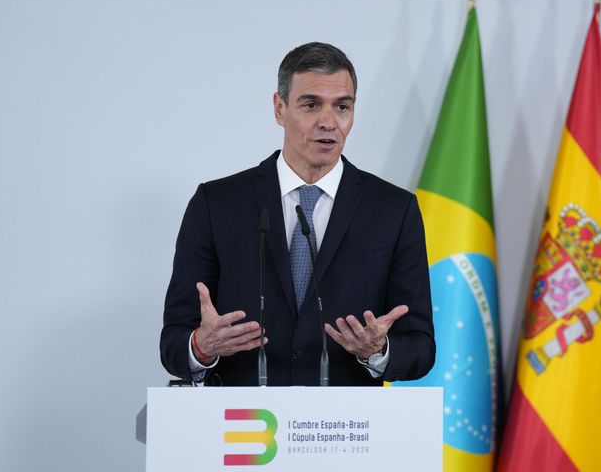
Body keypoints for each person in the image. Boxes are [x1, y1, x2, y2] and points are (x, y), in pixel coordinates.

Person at [160, 42, 435, 386]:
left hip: (345, 430)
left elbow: (421, 348)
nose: (328, 122)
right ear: (280, 108)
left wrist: (377, 350)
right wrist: (200, 346)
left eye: (342, 107)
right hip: (243, 429)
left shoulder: (394, 210)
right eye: (310, 105)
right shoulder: (216, 204)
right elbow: (173, 343)